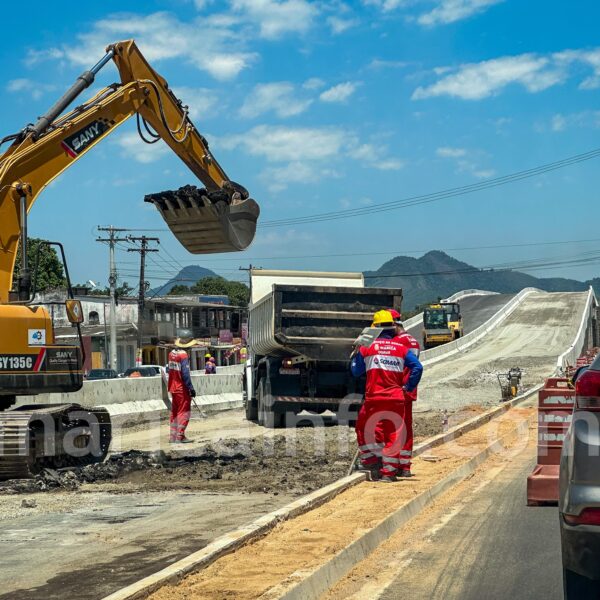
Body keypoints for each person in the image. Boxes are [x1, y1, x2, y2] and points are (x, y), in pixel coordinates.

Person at [351, 310, 423, 482]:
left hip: (374, 397)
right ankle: (389, 473)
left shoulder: (367, 347)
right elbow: (418, 368)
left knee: (367, 428)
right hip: (396, 397)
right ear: (393, 327)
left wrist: (355, 354)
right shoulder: (401, 348)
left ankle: (370, 461)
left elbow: (355, 371)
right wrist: (408, 386)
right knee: (394, 433)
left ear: (375, 329)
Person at [389, 308, 421, 476]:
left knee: (395, 427)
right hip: (409, 390)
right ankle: (405, 466)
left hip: (400, 389)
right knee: (406, 426)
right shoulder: (414, 340)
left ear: (394, 324)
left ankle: (393, 466)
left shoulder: (399, 342)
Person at [168, 331, 197, 443]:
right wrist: (191, 388)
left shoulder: (171, 353)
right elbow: (185, 374)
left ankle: (173, 436)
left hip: (173, 388)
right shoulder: (183, 355)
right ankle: (180, 437)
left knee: (175, 412)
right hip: (181, 389)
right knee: (184, 412)